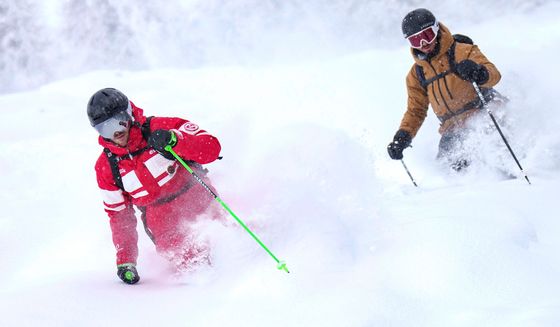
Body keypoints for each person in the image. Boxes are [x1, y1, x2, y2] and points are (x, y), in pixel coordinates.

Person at [87, 88, 222, 285]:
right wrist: (126, 260)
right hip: (165, 228)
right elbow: (119, 215)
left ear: (129, 114)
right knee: (196, 270)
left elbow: (211, 149)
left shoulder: (162, 127)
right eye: (104, 129)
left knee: (228, 244)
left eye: (118, 122)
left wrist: (176, 141)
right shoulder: (107, 167)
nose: (115, 132)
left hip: (200, 202)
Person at [387, 8, 505, 171]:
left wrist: (479, 72)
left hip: (484, 112)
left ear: (436, 29)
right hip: (453, 129)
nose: (424, 44)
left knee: (497, 155)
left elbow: (495, 75)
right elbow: (416, 110)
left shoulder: (463, 51)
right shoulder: (417, 74)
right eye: (416, 41)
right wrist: (404, 135)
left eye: (427, 35)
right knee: (447, 172)